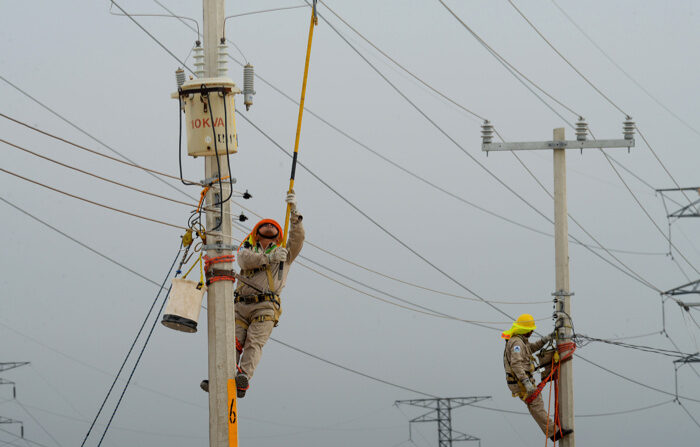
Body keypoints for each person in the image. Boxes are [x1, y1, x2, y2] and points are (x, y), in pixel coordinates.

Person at [200, 191, 304, 398]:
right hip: (241, 306)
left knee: (253, 343)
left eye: (273, 226)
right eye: (265, 225)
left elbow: (298, 238)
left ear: (278, 234)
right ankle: (223, 376)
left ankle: (243, 377)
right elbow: (244, 260)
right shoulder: (247, 249)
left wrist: (294, 214)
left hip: (265, 306)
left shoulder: (285, 254)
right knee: (232, 343)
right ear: (256, 233)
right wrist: (269, 257)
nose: (269, 226)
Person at [502, 314, 573, 442]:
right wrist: (526, 382)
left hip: (522, 381)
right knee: (536, 405)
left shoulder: (520, 341)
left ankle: (553, 431)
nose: (532, 331)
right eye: (530, 329)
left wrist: (546, 339)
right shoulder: (517, 343)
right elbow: (516, 364)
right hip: (521, 382)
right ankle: (554, 432)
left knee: (536, 404)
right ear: (524, 330)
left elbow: (531, 349)